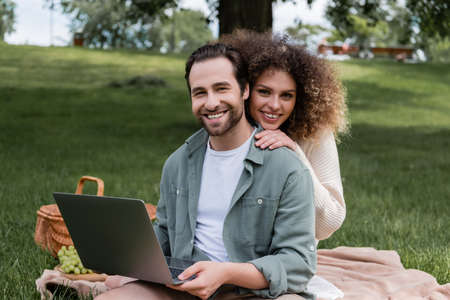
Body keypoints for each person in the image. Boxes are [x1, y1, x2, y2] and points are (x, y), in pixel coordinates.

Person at [96, 43, 316, 300]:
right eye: (200, 93)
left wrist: (225, 273)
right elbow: (165, 232)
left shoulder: (286, 167)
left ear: (245, 90)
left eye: (221, 89)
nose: (211, 103)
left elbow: (298, 263)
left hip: (254, 293)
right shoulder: (178, 163)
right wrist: (129, 261)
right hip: (182, 287)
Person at [220, 31, 348, 243]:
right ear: (246, 90)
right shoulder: (228, 129)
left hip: (289, 258)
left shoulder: (316, 133)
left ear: (300, 97)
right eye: (264, 92)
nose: (275, 105)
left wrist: (295, 154)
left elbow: (328, 224)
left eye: (286, 95)